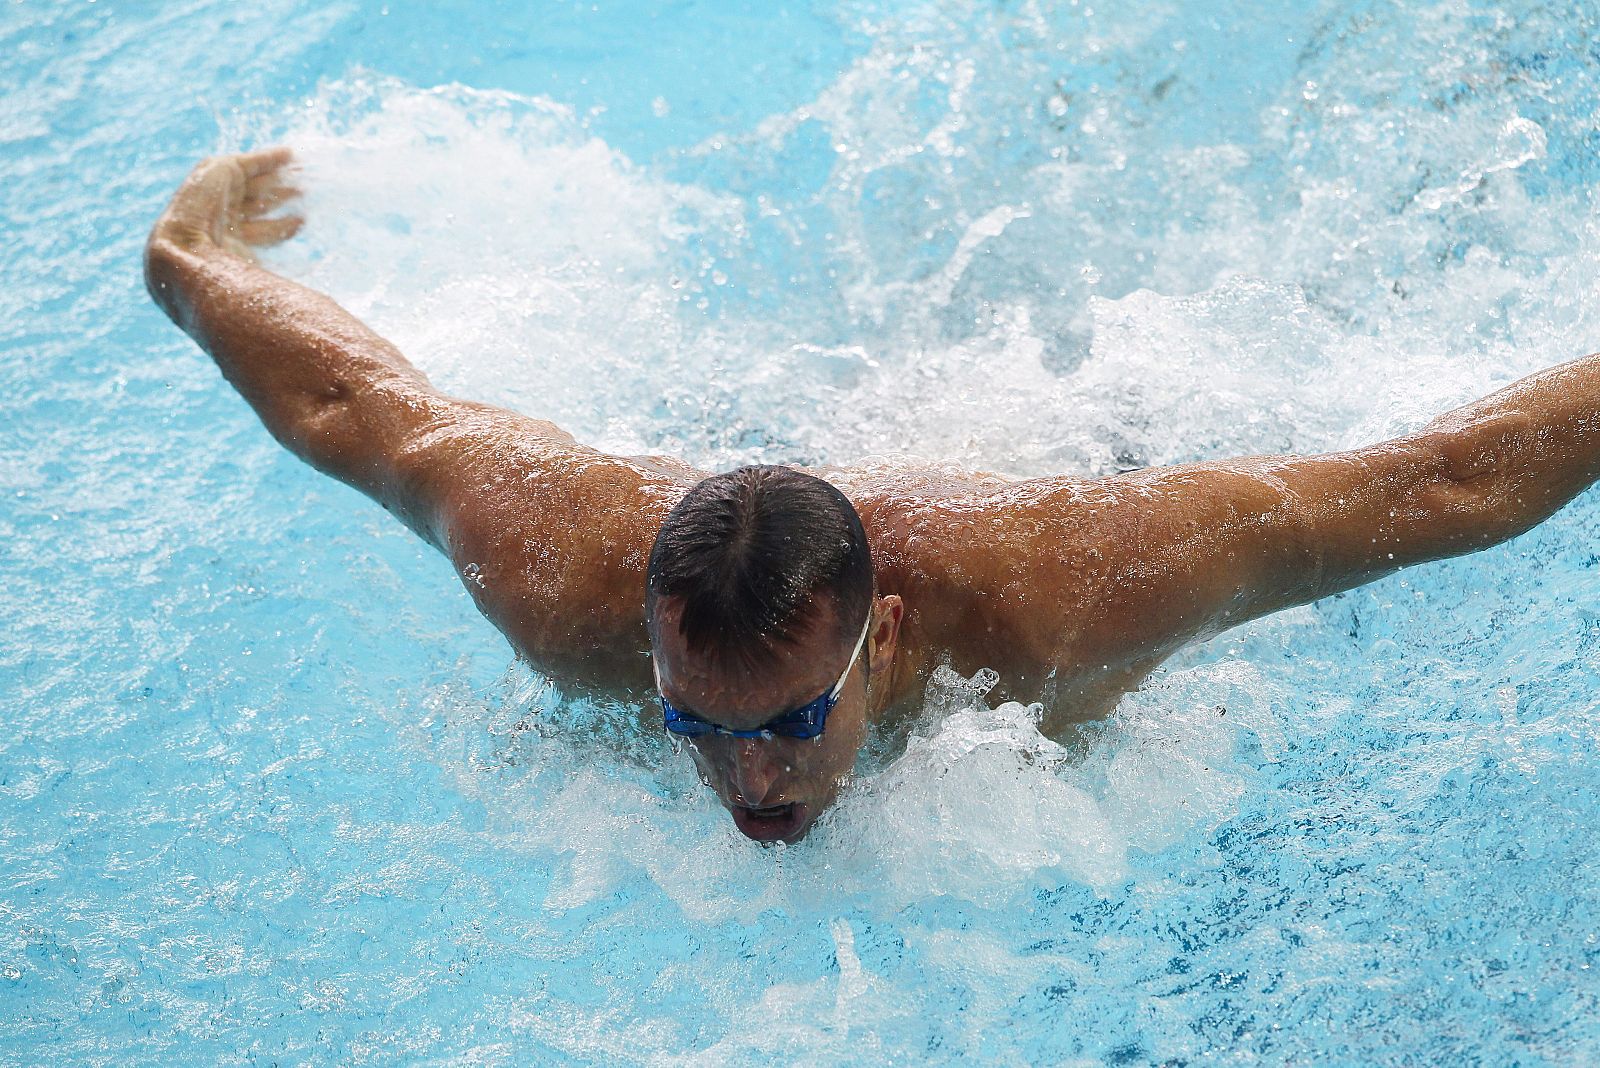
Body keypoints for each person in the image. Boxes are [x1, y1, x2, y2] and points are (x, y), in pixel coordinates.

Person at [145, 148, 1600, 843]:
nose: (745, 781)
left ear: (884, 640)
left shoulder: (1057, 601)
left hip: (1045, 463)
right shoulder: (557, 586)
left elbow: (1445, 481)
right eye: (692, 728)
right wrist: (191, 268)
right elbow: (362, 414)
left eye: (784, 725)